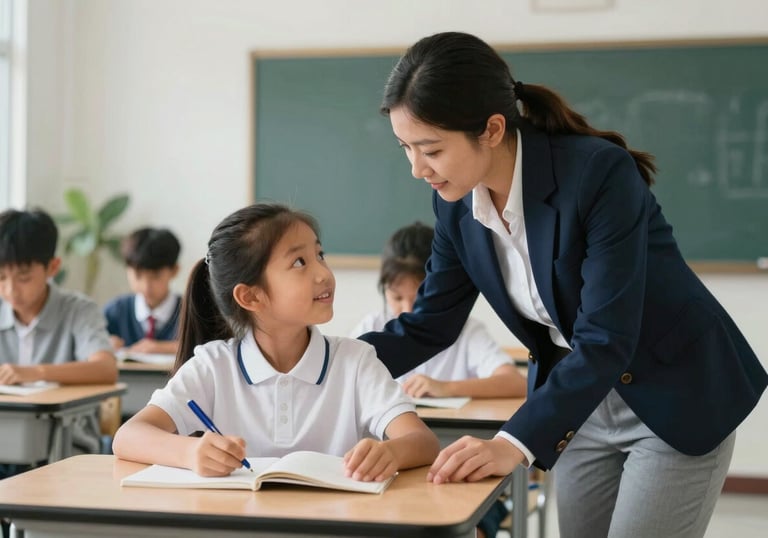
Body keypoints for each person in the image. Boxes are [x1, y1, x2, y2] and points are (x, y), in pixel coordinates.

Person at [358, 31, 767, 538]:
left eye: (431, 150)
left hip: (673, 390)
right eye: (406, 148)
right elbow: (428, 326)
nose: (417, 169)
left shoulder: (597, 173)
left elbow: (605, 337)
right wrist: (323, 362)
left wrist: (511, 443)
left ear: (490, 129)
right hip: (580, 401)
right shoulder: (455, 203)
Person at [112, 203, 439, 481]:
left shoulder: (355, 361)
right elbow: (128, 436)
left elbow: (422, 441)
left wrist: (389, 453)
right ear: (251, 296)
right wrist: (190, 451)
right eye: (300, 262)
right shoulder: (213, 366)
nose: (323, 273)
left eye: (319, 255)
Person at [0, 208, 118, 537]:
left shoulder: (78, 310)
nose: (11, 290)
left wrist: (34, 372)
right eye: (0, 278)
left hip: (67, 444)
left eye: (23, 277)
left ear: (52, 268)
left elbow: (105, 367)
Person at [352, 221, 526, 400]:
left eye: (418, 298)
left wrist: (447, 388)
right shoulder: (371, 326)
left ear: (440, 290)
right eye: (397, 298)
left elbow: (517, 383)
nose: (407, 310)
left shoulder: (467, 331)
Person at [104, 227, 181, 355]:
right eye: (138, 275)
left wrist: (168, 348)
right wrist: (103, 345)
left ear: (174, 271)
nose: (146, 286)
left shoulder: (192, 312)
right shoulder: (115, 312)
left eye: (155, 276)